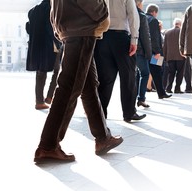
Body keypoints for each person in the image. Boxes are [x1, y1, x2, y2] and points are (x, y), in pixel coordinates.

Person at [34, 0, 123, 163]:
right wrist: (102, 13)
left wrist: (57, 26)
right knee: (69, 87)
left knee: (89, 85)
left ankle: (103, 137)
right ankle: (48, 146)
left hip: (72, 26)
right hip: (81, 26)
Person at [94, 0, 146, 122]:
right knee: (128, 77)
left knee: (104, 78)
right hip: (121, 37)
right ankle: (129, 113)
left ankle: (100, 113)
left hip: (102, 38)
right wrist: (134, 40)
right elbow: (133, 14)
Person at [26, 0, 62, 110]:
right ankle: (50, 96)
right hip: (49, 45)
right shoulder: (51, 8)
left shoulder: (33, 10)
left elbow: (28, 27)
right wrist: (59, 42)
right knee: (58, 71)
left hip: (36, 46)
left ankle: (39, 101)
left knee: (40, 73)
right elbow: (51, 28)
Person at [146, 4, 172, 100]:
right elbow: (155, 38)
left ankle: (160, 92)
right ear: (154, 12)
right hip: (155, 52)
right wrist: (157, 52)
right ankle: (161, 93)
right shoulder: (153, 20)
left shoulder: (143, 18)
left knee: (146, 72)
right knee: (159, 71)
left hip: (145, 51)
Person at [135, 0, 152, 108]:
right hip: (140, 51)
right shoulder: (141, 15)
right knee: (145, 73)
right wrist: (149, 54)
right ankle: (141, 98)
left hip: (127, 49)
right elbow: (146, 37)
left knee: (135, 74)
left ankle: (135, 98)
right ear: (139, 3)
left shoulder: (126, 14)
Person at [163, 18, 185, 94]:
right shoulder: (182, 32)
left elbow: (165, 46)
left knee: (171, 73)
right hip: (181, 56)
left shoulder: (167, 32)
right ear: (180, 24)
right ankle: (177, 88)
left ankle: (168, 88)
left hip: (170, 57)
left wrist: (165, 57)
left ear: (174, 24)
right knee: (180, 73)